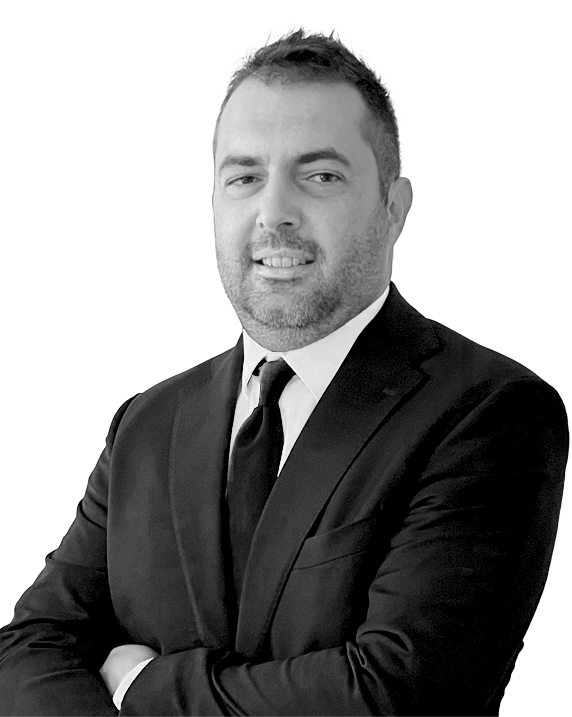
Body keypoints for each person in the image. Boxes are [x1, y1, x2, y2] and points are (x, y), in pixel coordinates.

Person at [0, 26, 567, 717]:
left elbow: (398, 695)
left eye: (320, 175)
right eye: (244, 177)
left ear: (393, 209)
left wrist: (140, 687)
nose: (274, 213)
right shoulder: (146, 423)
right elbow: (29, 647)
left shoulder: (491, 412)